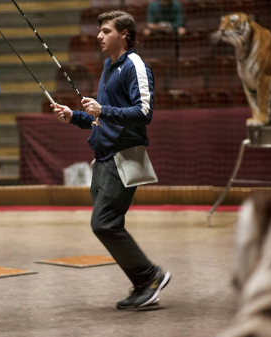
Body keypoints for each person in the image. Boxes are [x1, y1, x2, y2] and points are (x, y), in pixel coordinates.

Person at [52, 10, 171, 310]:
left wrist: (102, 111)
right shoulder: (108, 66)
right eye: (99, 31)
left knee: (104, 223)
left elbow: (144, 113)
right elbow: (100, 116)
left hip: (124, 157)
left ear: (125, 35)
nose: (98, 36)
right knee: (107, 223)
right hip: (103, 158)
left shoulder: (135, 65)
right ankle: (144, 283)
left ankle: (150, 276)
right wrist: (75, 117)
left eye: (106, 31)